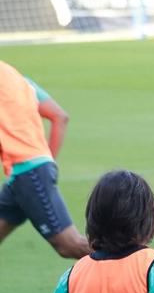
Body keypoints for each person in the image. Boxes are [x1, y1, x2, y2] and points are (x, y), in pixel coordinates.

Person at [0, 60, 88, 258]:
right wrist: (47, 163)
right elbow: (59, 116)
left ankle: (138, 263)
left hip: (27, 172)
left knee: (70, 245)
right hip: (28, 171)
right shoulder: (19, 80)